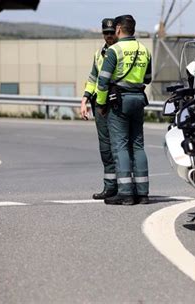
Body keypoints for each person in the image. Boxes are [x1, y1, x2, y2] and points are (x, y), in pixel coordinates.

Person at [95, 14, 152, 205]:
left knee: (120, 146)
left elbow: (102, 82)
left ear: (118, 28)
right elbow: (148, 79)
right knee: (138, 145)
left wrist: (101, 105)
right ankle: (142, 193)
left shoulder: (114, 51)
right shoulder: (144, 50)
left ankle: (126, 192)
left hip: (120, 101)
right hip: (139, 99)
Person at [80, 18, 119, 200]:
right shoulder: (99, 54)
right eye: (106, 33)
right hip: (99, 104)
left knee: (119, 146)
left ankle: (125, 186)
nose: (109, 36)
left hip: (116, 103)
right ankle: (110, 186)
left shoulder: (120, 51)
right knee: (105, 147)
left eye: (112, 33)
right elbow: (93, 78)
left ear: (117, 33)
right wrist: (84, 100)